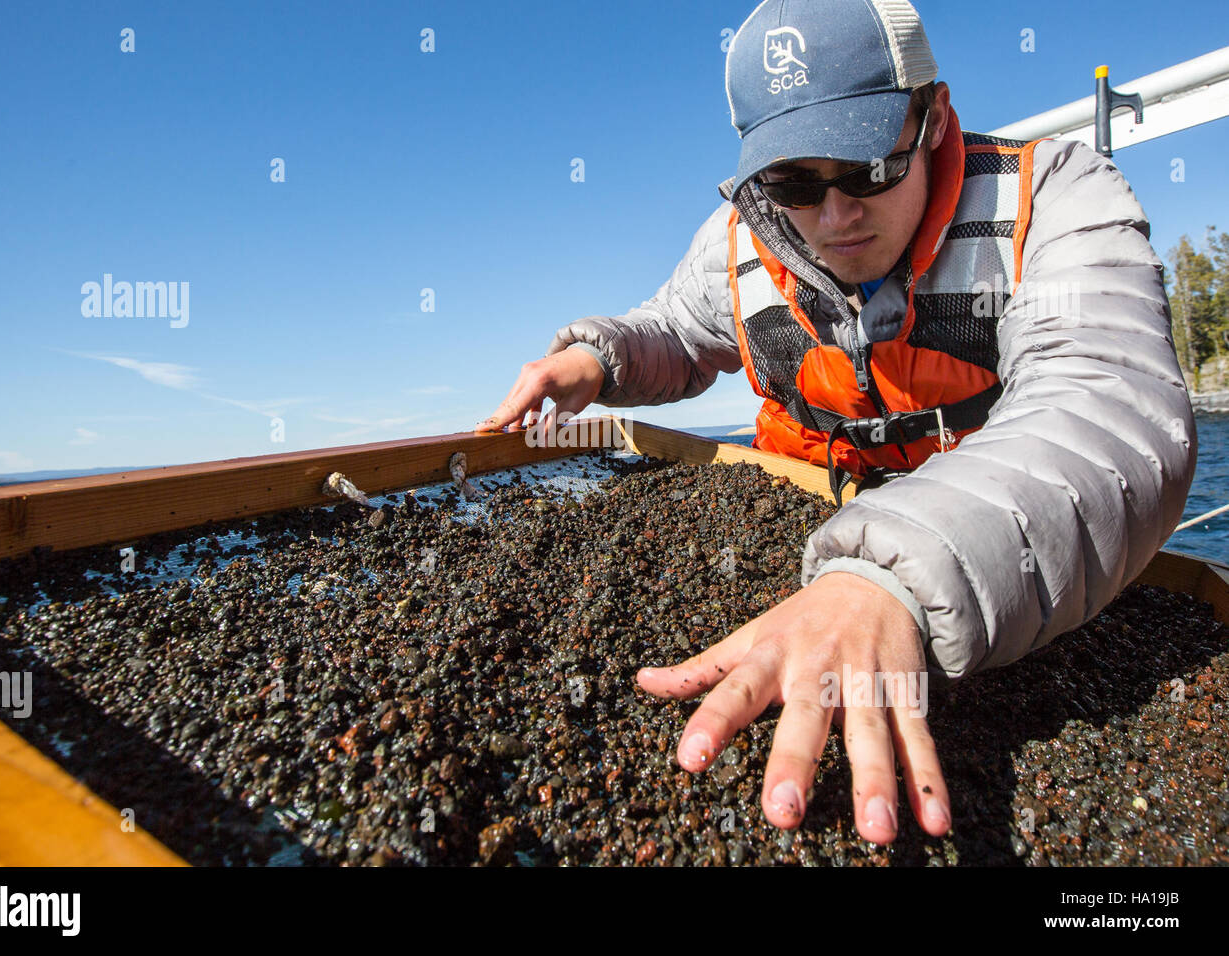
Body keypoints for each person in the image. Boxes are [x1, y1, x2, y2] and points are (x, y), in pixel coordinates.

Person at [474, 0, 1196, 846]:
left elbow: (1108, 405)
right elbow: (677, 325)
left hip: (989, 564)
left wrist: (885, 579)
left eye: (867, 169)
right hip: (796, 533)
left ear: (932, 117)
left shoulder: (1054, 201)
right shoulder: (741, 236)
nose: (834, 216)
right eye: (794, 184)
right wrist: (598, 360)